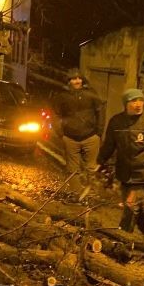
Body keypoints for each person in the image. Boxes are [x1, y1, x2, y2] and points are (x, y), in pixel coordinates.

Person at [96, 88, 144, 234]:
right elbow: (109, 145)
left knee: (131, 205)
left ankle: (123, 239)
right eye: (133, 101)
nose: (138, 104)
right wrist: (100, 161)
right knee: (135, 207)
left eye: (140, 100)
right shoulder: (116, 122)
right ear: (126, 104)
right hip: (124, 172)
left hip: (143, 172)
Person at [53, 68, 104, 200]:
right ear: (69, 81)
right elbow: (56, 115)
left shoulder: (91, 93)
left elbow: (100, 111)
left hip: (91, 136)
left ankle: (91, 195)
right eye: (73, 79)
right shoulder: (62, 96)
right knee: (72, 170)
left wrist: (99, 132)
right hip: (70, 137)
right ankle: (75, 195)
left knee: (91, 168)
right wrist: (61, 133)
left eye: (78, 78)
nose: (77, 81)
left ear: (82, 80)